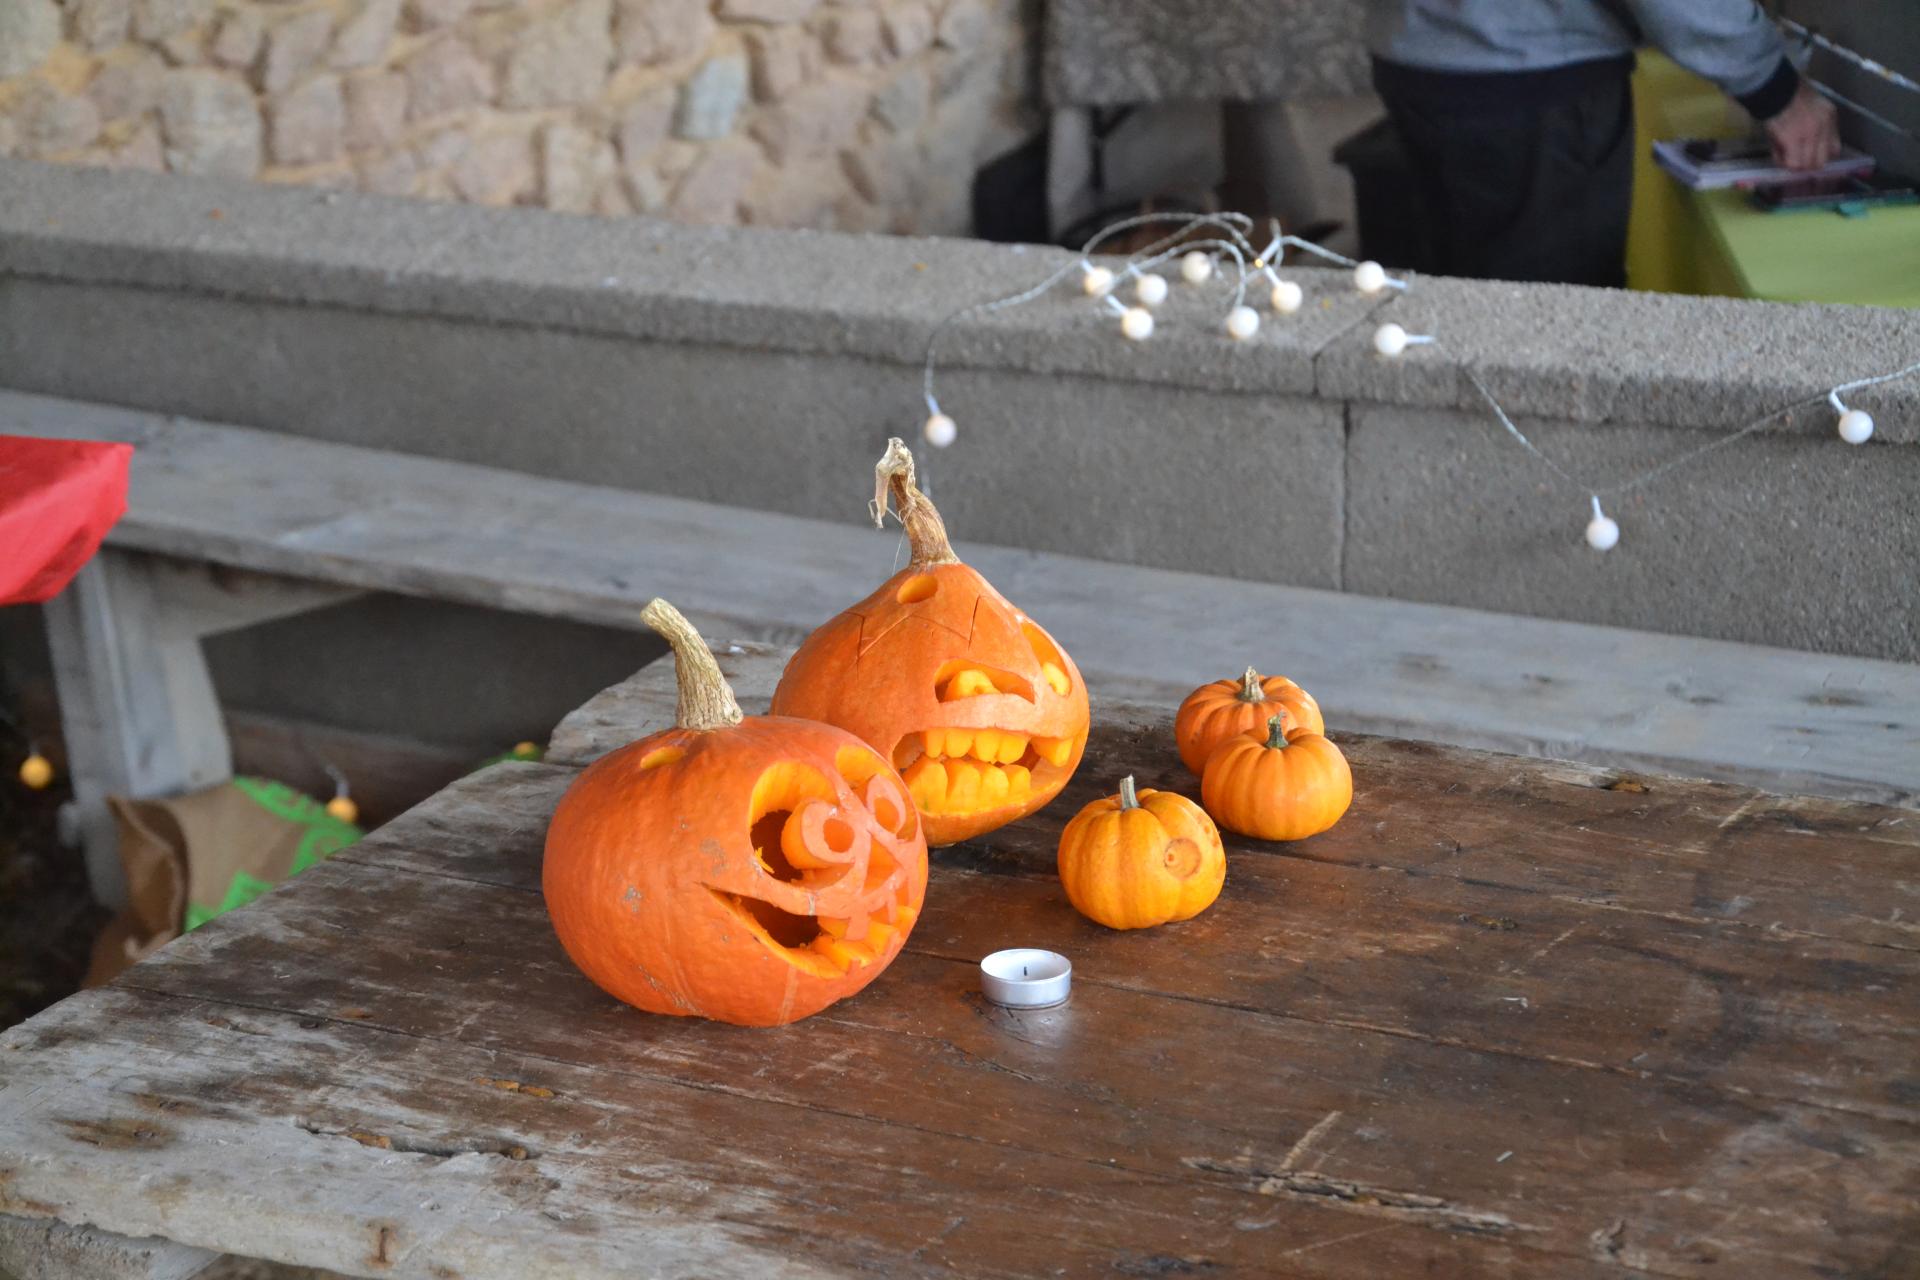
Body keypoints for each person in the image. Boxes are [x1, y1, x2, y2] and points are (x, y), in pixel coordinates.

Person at [1365, 0, 1842, 287]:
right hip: (1530, 74)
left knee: (1468, 312)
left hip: (1418, 50)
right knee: (1551, 330)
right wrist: (1773, 88)